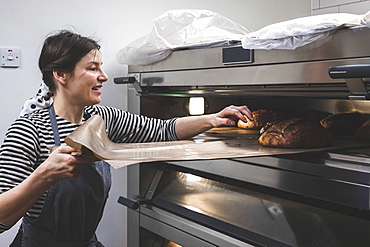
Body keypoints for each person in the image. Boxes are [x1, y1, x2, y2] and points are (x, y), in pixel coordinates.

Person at [0, 30, 253, 246]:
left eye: (100, 67)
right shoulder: (29, 129)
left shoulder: (102, 119)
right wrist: (44, 175)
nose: (104, 76)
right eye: (92, 68)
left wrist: (213, 118)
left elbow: (162, 130)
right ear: (61, 75)